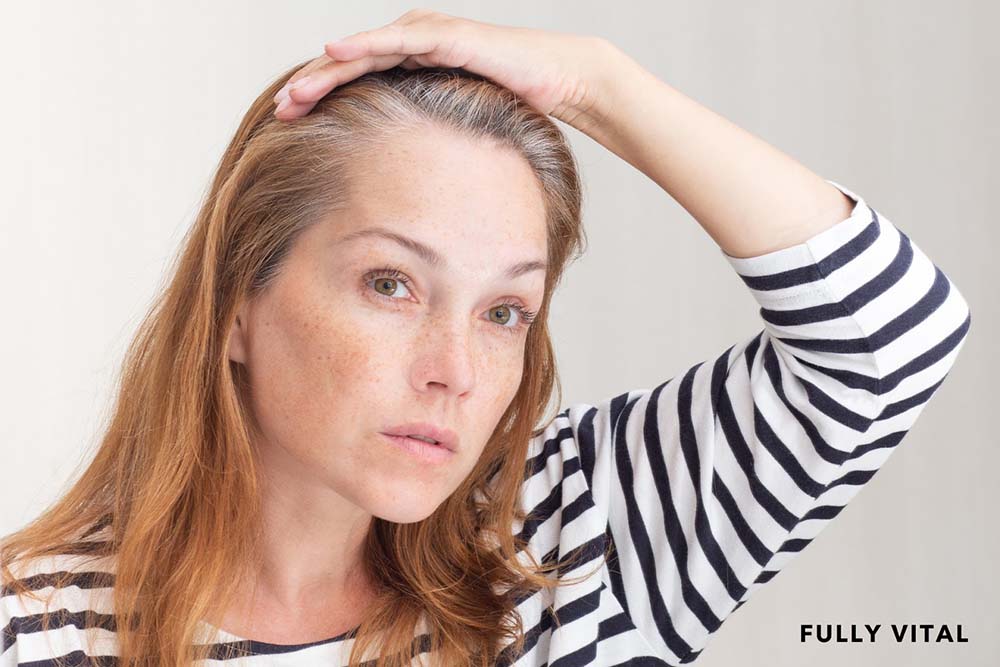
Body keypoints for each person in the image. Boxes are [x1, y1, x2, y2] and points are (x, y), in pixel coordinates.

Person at [0, 9, 972, 667]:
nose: (455, 372)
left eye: (504, 310)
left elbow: (889, 339)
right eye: (391, 284)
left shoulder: (563, 549)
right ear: (235, 304)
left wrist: (595, 84)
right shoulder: (33, 629)